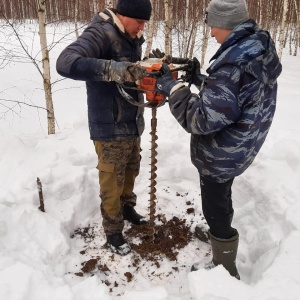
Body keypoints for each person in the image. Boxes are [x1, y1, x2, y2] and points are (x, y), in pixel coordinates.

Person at [155, 0, 282, 279]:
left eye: (213, 25)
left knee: (215, 203)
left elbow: (200, 119)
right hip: (243, 143)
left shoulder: (232, 65)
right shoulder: (256, 48)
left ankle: (224, 265)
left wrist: (172, 87)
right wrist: (202, 79)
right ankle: (218, 230)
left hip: (222, 152)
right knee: (220, 196)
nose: (211, 33)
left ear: (227, 24)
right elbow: (234, 98)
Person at [56, 0, 152, 256]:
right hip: (109, 124)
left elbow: (131, 74)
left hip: (131, 119)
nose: (142, 28)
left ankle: (127, 207)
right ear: (124, 15)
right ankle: (113, 231)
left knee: (131, 167)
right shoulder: (101, 32)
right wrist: (115, 69)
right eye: (140, 22)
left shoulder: (129, 35)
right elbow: (66, 62)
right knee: (111, 177)